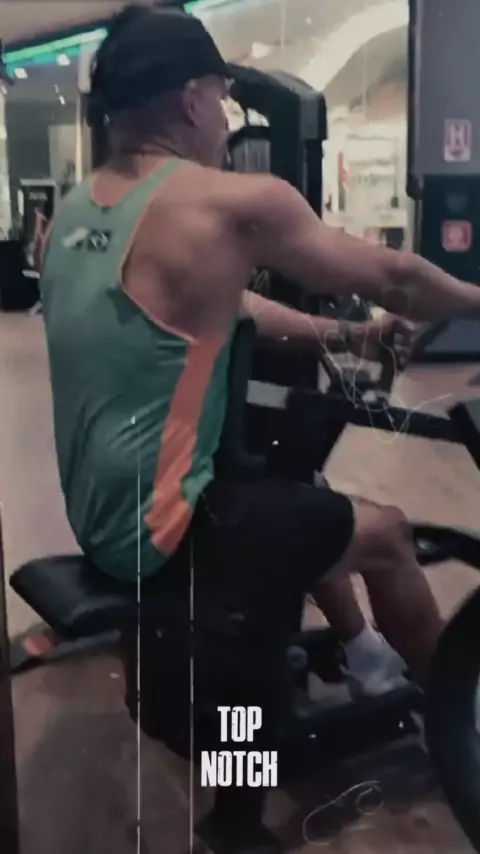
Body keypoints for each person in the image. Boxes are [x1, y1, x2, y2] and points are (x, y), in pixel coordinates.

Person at [38, 5, 480, 709]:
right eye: (223, 100)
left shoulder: (75, 211)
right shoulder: (223, 203)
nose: (224, 120)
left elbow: (226, 304)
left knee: (300, 488)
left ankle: (368, 655)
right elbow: (395, 277)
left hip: (97, 515)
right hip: (166, 531)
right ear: (193, 99)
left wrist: (351, 336)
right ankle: (456, 720)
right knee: (388, 532)